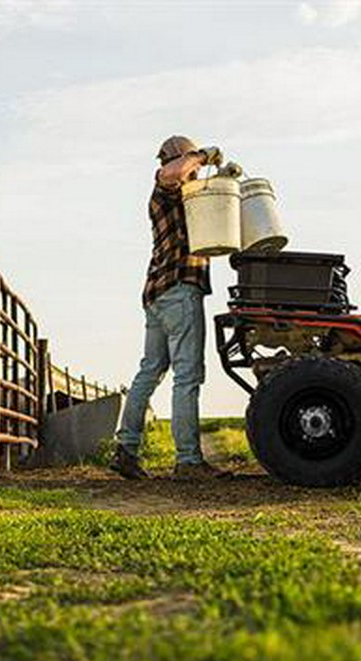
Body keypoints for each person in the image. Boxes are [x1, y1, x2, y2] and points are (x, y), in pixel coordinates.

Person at [110, 135, 237, 480]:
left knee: (150, 371)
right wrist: (203, 155)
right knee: (188, 374)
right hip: (179, 290)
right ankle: (188, 461)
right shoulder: (166, 187)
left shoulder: (186, 198)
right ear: (178, 159)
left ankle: (126, 449)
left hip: (158, 294)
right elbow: (173, 173)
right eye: (189, 163)